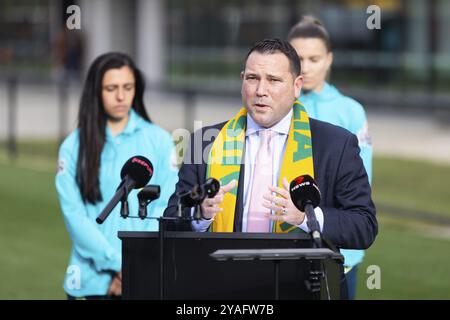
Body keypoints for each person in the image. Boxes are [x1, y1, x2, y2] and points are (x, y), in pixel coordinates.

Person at [163, 39, 377, 299]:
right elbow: (170, 221)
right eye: (252, 78)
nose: (260, 90)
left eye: (274, 80)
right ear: (242, 80)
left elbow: (363, 225)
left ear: (297, 86)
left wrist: (305, 218)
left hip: (304, 288)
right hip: (222, 288)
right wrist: (201, 215)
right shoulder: (206, 141)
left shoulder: (336, 144)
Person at [55, 52, 178, 299]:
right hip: (90, 280)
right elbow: (75, 216)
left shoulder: (160, 140)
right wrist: (116, 265)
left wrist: (134, 263)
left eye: (127, 87)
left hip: (144, 274)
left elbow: (165, 207)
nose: (121, 96)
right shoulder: (73, 146)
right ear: (96, 91)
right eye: (111, 88)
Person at [287, 16, 373, 300]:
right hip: (286, 244)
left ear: (329, 59)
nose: (307, 67)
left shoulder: (350, 111)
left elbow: (362, 184)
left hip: (340, 249)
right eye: (299, 58)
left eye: (315, 58)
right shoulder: (278, 104)